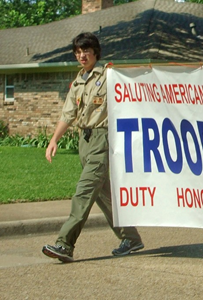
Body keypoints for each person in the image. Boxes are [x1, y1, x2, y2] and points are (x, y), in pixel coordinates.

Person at [42, 32, 144, 263]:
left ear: (95, 52)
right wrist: (53, 140)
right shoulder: (78, 82)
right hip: (84, 141)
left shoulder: (109, 75)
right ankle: (131, 238)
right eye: (78, 52)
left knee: (84, 191)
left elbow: (135, 86)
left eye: (85, 51)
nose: (81, 55)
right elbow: (68, 114)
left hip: (102, 139)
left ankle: (65, 244)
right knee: (103, 195)